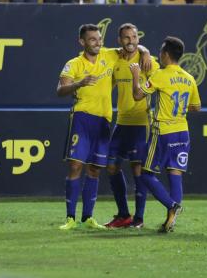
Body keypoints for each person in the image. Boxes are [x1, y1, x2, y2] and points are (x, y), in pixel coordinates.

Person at [57, 23, 151, 230]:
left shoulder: (109, 55)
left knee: (95, 169)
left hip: (104, 121)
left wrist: (145, 51)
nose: (98, 43)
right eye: (92, 39)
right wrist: (78, 84)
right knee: (75, 166)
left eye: (99, 39)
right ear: (82, 42)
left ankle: (88, 217)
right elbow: (61, 89)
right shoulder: (73, 64)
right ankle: (70, 218)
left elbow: (132, 45)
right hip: (82, 117)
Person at [129, 36, 201, 233]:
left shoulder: (161, 75)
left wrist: (136, 74)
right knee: (175, 173)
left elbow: (137, 95)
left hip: (163, 132)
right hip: (182, 132)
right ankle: (171, 221)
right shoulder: (189, 78)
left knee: (146, 174)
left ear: (166, 54)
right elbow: (196, 107)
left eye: (161, 52)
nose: (159, 55)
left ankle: (171, 206)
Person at [104, 23, 160, 229]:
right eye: (126, 38)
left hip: (140, 122)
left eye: (134, 37)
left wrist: (145, 51)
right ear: (120, 41)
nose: (131, 41)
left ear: (138, 38)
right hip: (121, 122)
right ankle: (123, 215)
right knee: (111, 166)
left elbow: (161, 83)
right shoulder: (115, 61)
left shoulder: (148, 62)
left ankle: (139, 218)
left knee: (137, 169)